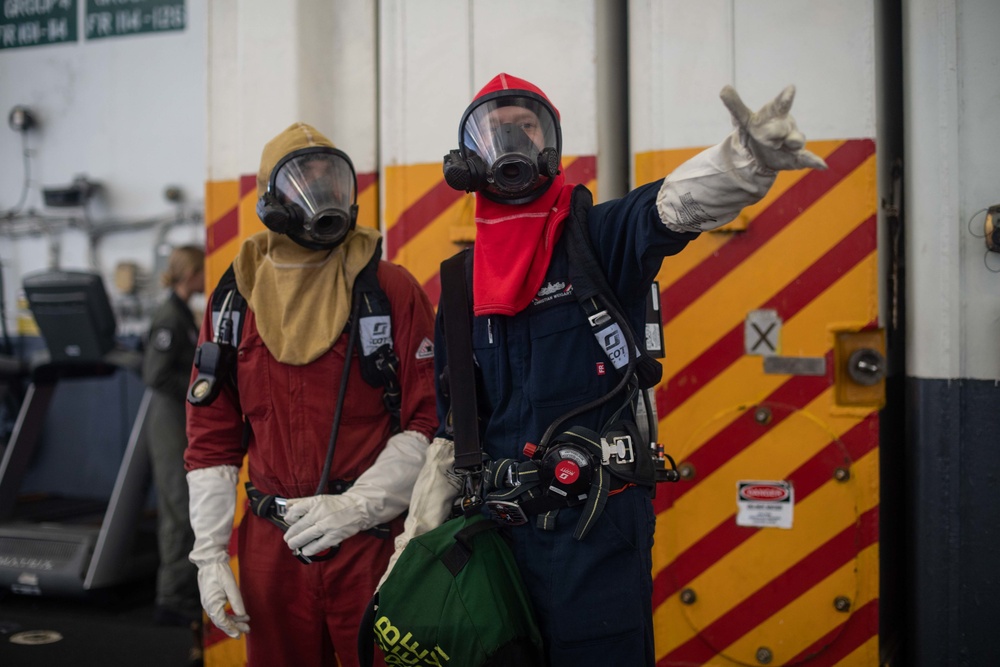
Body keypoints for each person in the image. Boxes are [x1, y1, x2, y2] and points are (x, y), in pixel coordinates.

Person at [387, 73, 829, 667]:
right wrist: (413, 543)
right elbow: (451, 431)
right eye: (495, 133)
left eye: (527, 128)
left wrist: (744, 163)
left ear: (551, 146)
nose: (511, 144)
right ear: (467, 161)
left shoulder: (598, 237)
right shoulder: (462, 285)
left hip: (595, 532)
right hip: (495, 537)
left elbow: (671, 207)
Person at [183, 123, 437, 667]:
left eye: (331, 182)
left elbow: (429, 420)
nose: (322, 197)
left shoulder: (389, 290)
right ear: (270, 200)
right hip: (272, 550)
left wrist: (356, 507)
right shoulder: (235, 300)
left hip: (373, 542)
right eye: (305, 182)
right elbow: (212, 436)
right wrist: (208, 556)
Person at [141, 244, 205, 663]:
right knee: (178, 507)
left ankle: (178, 591)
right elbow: (156, 374)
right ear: (191, 273)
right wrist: (199, 383)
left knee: (182, 506)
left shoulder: (182, 314)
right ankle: (172, 597)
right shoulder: (169, 318)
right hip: (169, 420)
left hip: (177, 418)